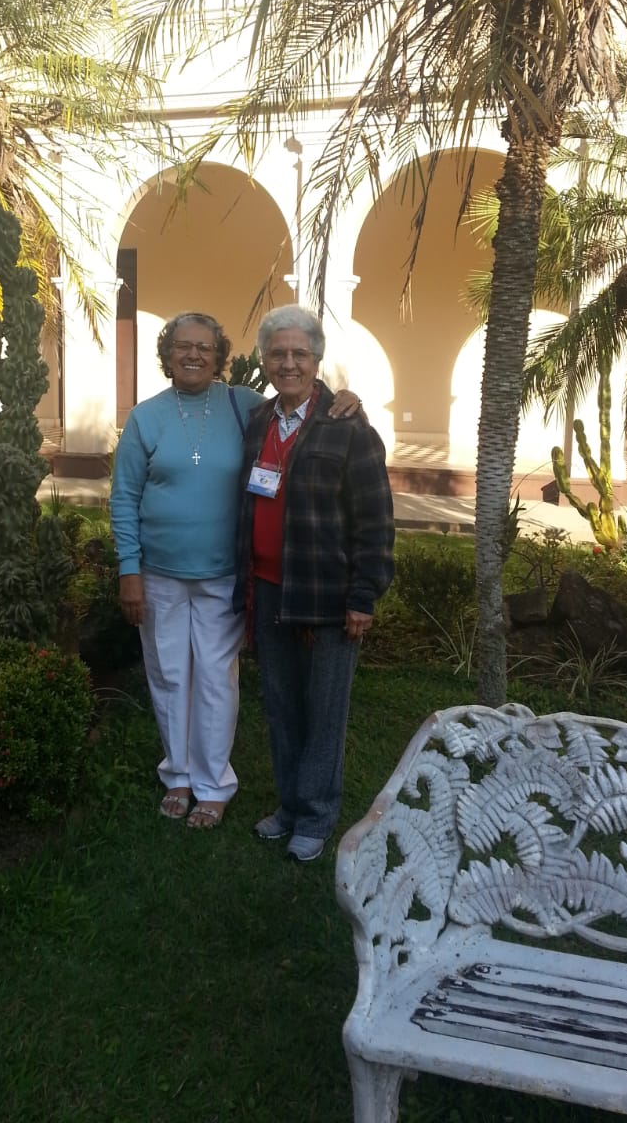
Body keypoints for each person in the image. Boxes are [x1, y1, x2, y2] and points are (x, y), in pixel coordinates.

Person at [110, 311, 360, 830]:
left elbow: (299, 401)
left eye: (205, 347)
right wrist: (128, 570)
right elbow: (124, 497)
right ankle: (178, 776)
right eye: (183, 346)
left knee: (216, 679)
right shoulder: (145, 418)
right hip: (158, 573)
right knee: (168, 674)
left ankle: (213, 785)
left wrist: (344, 397)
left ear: (220, 356)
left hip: (224, 573)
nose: (193, 355)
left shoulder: (244, 406)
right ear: (167, 354)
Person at [232, 305, 394, 861]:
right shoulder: (258, 420)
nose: (289, 363)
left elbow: (375, 519)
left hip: (326, 596)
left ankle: (317, 816)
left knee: (324, 712)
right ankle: (290, 805)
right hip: (268, 589)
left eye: (299, 353)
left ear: (317, 359)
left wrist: (364, 594)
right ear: (264, 360)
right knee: (281, 706)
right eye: (277, 353)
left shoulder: (347, 425)